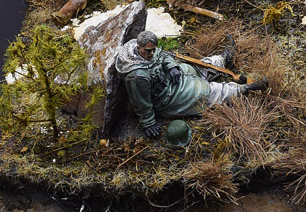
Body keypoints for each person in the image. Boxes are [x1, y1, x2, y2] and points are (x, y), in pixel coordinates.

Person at [114, 31, 266, 138]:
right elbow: (141, 102)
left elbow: (162, 55)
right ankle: (243, 89)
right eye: (148, 51)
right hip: (167, 98)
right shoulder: (136, 76)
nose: (152, 54)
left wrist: (172, 66)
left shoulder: (149, 51)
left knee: (199, 67)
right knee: (205, 92)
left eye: (153, 50)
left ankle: (222, 59)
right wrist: (148, 123)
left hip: (172, 77)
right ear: (139, 48)